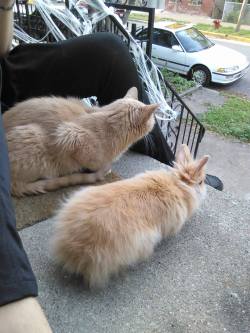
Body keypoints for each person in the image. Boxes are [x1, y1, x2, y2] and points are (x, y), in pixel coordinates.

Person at [0, 1, 222, 331]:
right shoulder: (91, 149)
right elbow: (69, 137)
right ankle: (182, 176)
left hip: (5, 68)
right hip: (27, 146)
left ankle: (174, 169)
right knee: (62, 139)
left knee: (110, 48)